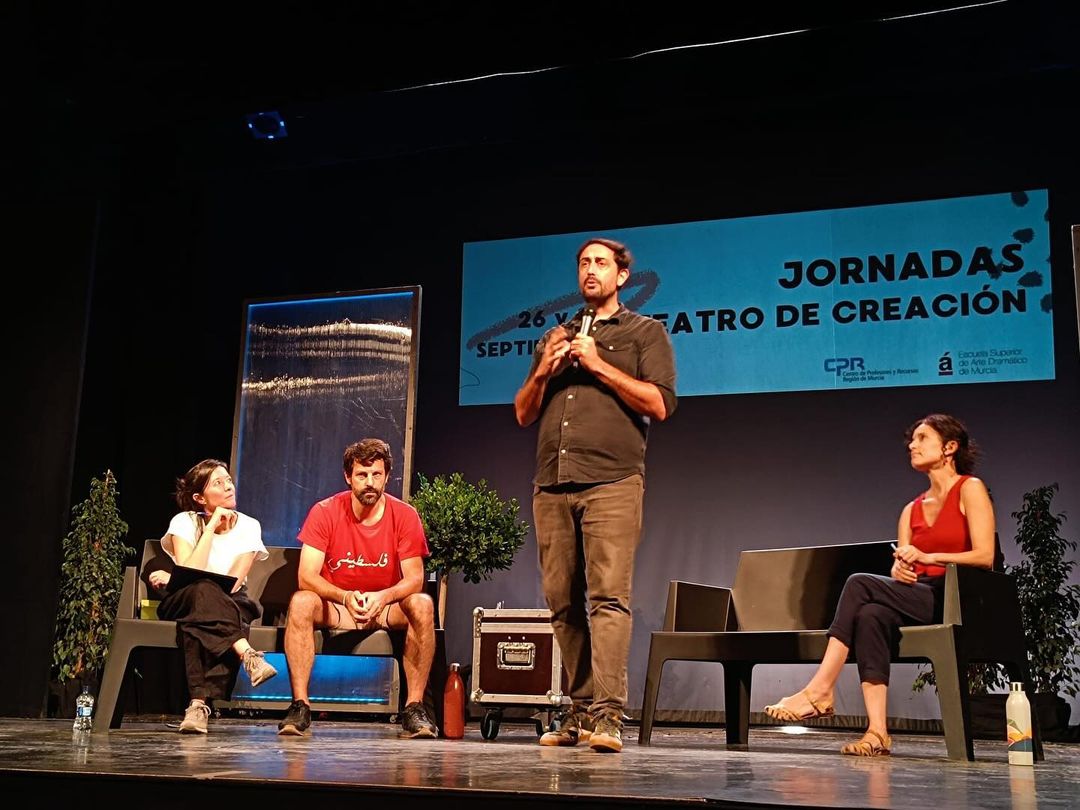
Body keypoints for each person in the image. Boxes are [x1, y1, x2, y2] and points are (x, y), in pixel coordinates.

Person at [514, 237, 677, 753]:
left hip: (612, 483)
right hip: (552, 484)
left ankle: (608, 716)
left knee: (608, 598)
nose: (590, 270)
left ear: (622, 276)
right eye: (584, 263)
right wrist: (545, 367)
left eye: (601, 263)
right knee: (562, 603)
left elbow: (660, 403)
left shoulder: (644, 332)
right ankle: (580, 710)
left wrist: (598, 364)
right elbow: (523, 412)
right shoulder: (555, 337)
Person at [763, 413, 996, 756]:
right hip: (922, 597)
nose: (912, 446)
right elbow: (901, 567)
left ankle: (821, 688)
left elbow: (985, 556)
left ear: (949, 447)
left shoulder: (969, 488)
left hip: (959, 597)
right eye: (911, 440)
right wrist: (901, 571)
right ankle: (877, 733)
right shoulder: (910, 510)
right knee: (871, 614)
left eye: (922, 438)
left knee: (859, 583)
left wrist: (930, 558)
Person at [277, 438, 438, 738]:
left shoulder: (405, 516)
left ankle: (414, 709)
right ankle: (300, 705)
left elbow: (415, 578)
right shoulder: (325, 511)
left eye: (376, 475)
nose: (370, 483)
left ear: (387, 476)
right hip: (338, 607)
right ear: (348, 477)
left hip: (386, 608)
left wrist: (383, 597)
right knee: (301, 601)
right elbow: (307, 576)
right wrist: (345, 596)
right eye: (362, 475)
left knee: (422, 604)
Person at [150, 459, 277, 734]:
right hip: (183, 597)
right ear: (199, 498)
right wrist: (209, 527)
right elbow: (190, 572)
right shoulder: (183, 522)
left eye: (228, 480)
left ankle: (197, 706)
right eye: (218, 483)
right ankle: (248, 654)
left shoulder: (249, 526)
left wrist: (184, 579)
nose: (228, 486)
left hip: (229, 600)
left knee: (195, 620)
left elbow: (234, 583)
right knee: (200, 593)